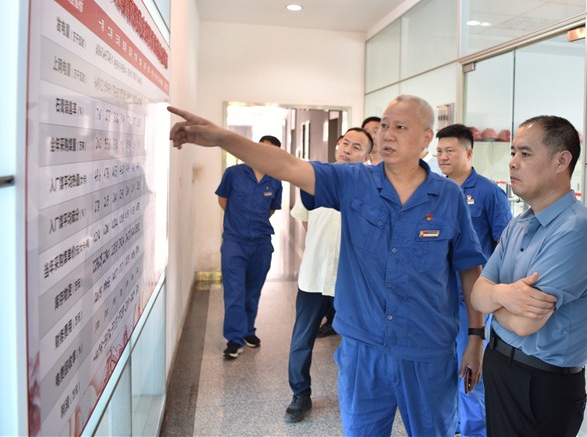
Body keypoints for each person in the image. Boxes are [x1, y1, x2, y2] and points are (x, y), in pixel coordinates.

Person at [169, 95, 487, 436]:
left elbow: (469, 268)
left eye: (400, 127)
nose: (387, 135)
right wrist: (223, 138)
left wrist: (475, 337)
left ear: (426, 137)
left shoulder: (448, 197)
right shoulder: (352, 181)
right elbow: (288, 166)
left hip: (427, 348)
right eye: (383, 126)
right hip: (363, 349)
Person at [470, 116, 587, 437]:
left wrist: (492, 299)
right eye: (513, 153)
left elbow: (524, 324)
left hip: (541, 384)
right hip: (501, 366)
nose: (512, 162)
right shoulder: (520, 222)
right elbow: (477, 294)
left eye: (525, 154)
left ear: (561, 161)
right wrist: (505, 295)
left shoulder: (576, 230)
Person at [285, 128, 373, 423]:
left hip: (350, 281)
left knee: (357, 340)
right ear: (337, 146)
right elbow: (305, 219)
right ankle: (300, 394)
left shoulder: (371, 186)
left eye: (357, 147)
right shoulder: (316, 179)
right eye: (345, 143)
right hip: (314, 275)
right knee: (301, 339)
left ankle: (357, 393)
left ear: (367, 156)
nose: (348, 149)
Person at [436, 124, 512, 437]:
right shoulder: (435, 191)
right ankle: (452, 425)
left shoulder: (488, 193)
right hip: (437, 298)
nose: (442, 157)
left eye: (449, 150)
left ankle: (474, 430)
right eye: (439, 151)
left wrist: (495, 294)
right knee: (442, 368)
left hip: (472, 300)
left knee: (470, 366)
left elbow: (504, 248)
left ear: (468, 153)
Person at [216, 134, 283, 358]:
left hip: (261, 243)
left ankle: (247, 331)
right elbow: (223, 199)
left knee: (253, 291)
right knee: (235, 291)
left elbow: (271, 209)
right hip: (234, 242)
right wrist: (238, 222)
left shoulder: (275, 180)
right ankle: (234, 339)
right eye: (260, 148)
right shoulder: (234, 173)